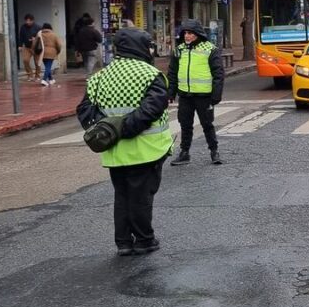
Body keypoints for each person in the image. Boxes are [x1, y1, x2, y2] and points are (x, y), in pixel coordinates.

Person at [78, 28, 171, 256]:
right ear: (138, 46)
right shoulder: (150, 74)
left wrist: (110, 128)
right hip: (145, 149)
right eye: (148, 45)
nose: (151, 50)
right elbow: (153, 108)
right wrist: (126, 128)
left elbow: (84, 110)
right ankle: (144, 240)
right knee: (141, 197)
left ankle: (123, 242)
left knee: (122, 196)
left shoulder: (99, 77)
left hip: (113, 151)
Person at [168, 18, 225, 166]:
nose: (187, 36)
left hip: (204, 96)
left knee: (207, 125)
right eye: (185, 33)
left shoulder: (210, 49)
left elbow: (218, 74)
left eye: (190, 33)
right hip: (185, 95)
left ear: (198, 34)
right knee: (185, 125)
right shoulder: (179, 50)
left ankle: (214, 151)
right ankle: (184, 153)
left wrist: (216, 96)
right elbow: (172, 73)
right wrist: (171, 92)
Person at [18, 14, 41, 81]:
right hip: (27, 47)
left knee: (37, 62)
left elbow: (41, 37)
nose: (27, 22)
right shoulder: (23, 27)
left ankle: (37, 75)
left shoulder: (38, 27)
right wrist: (20, 45)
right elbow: (21, 37)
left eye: (29, 21)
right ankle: (30, 74)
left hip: (36, 47)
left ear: (32, 21)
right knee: (25, 60)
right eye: (26, 21)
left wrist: (35, 39)